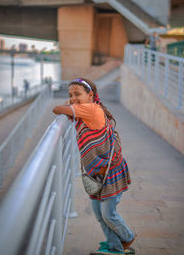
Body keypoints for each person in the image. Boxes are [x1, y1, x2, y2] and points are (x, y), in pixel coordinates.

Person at [52, 78, 135, 255]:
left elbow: (57, 109)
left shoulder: (90, 109)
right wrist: (74, 101)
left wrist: (68, 104)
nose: (73, 98)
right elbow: (69, 109)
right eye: (70, 95)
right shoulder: (87, 109)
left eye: (77, 94)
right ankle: (114, 245)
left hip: (110, 172)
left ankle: (127, 238)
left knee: (109, 214)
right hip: (98, 173)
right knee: (98, 213)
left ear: (91, 95)